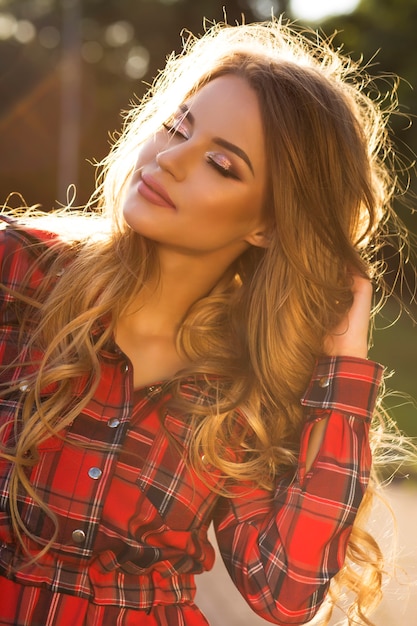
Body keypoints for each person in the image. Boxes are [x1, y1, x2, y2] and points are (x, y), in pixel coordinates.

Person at [0, 17, 413, 626]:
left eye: (221, 163)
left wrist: (343, 360)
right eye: (176, 126)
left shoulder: (246, 385)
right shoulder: (19, 273)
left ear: (268, 225)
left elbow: (287, 591)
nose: (171, 158)